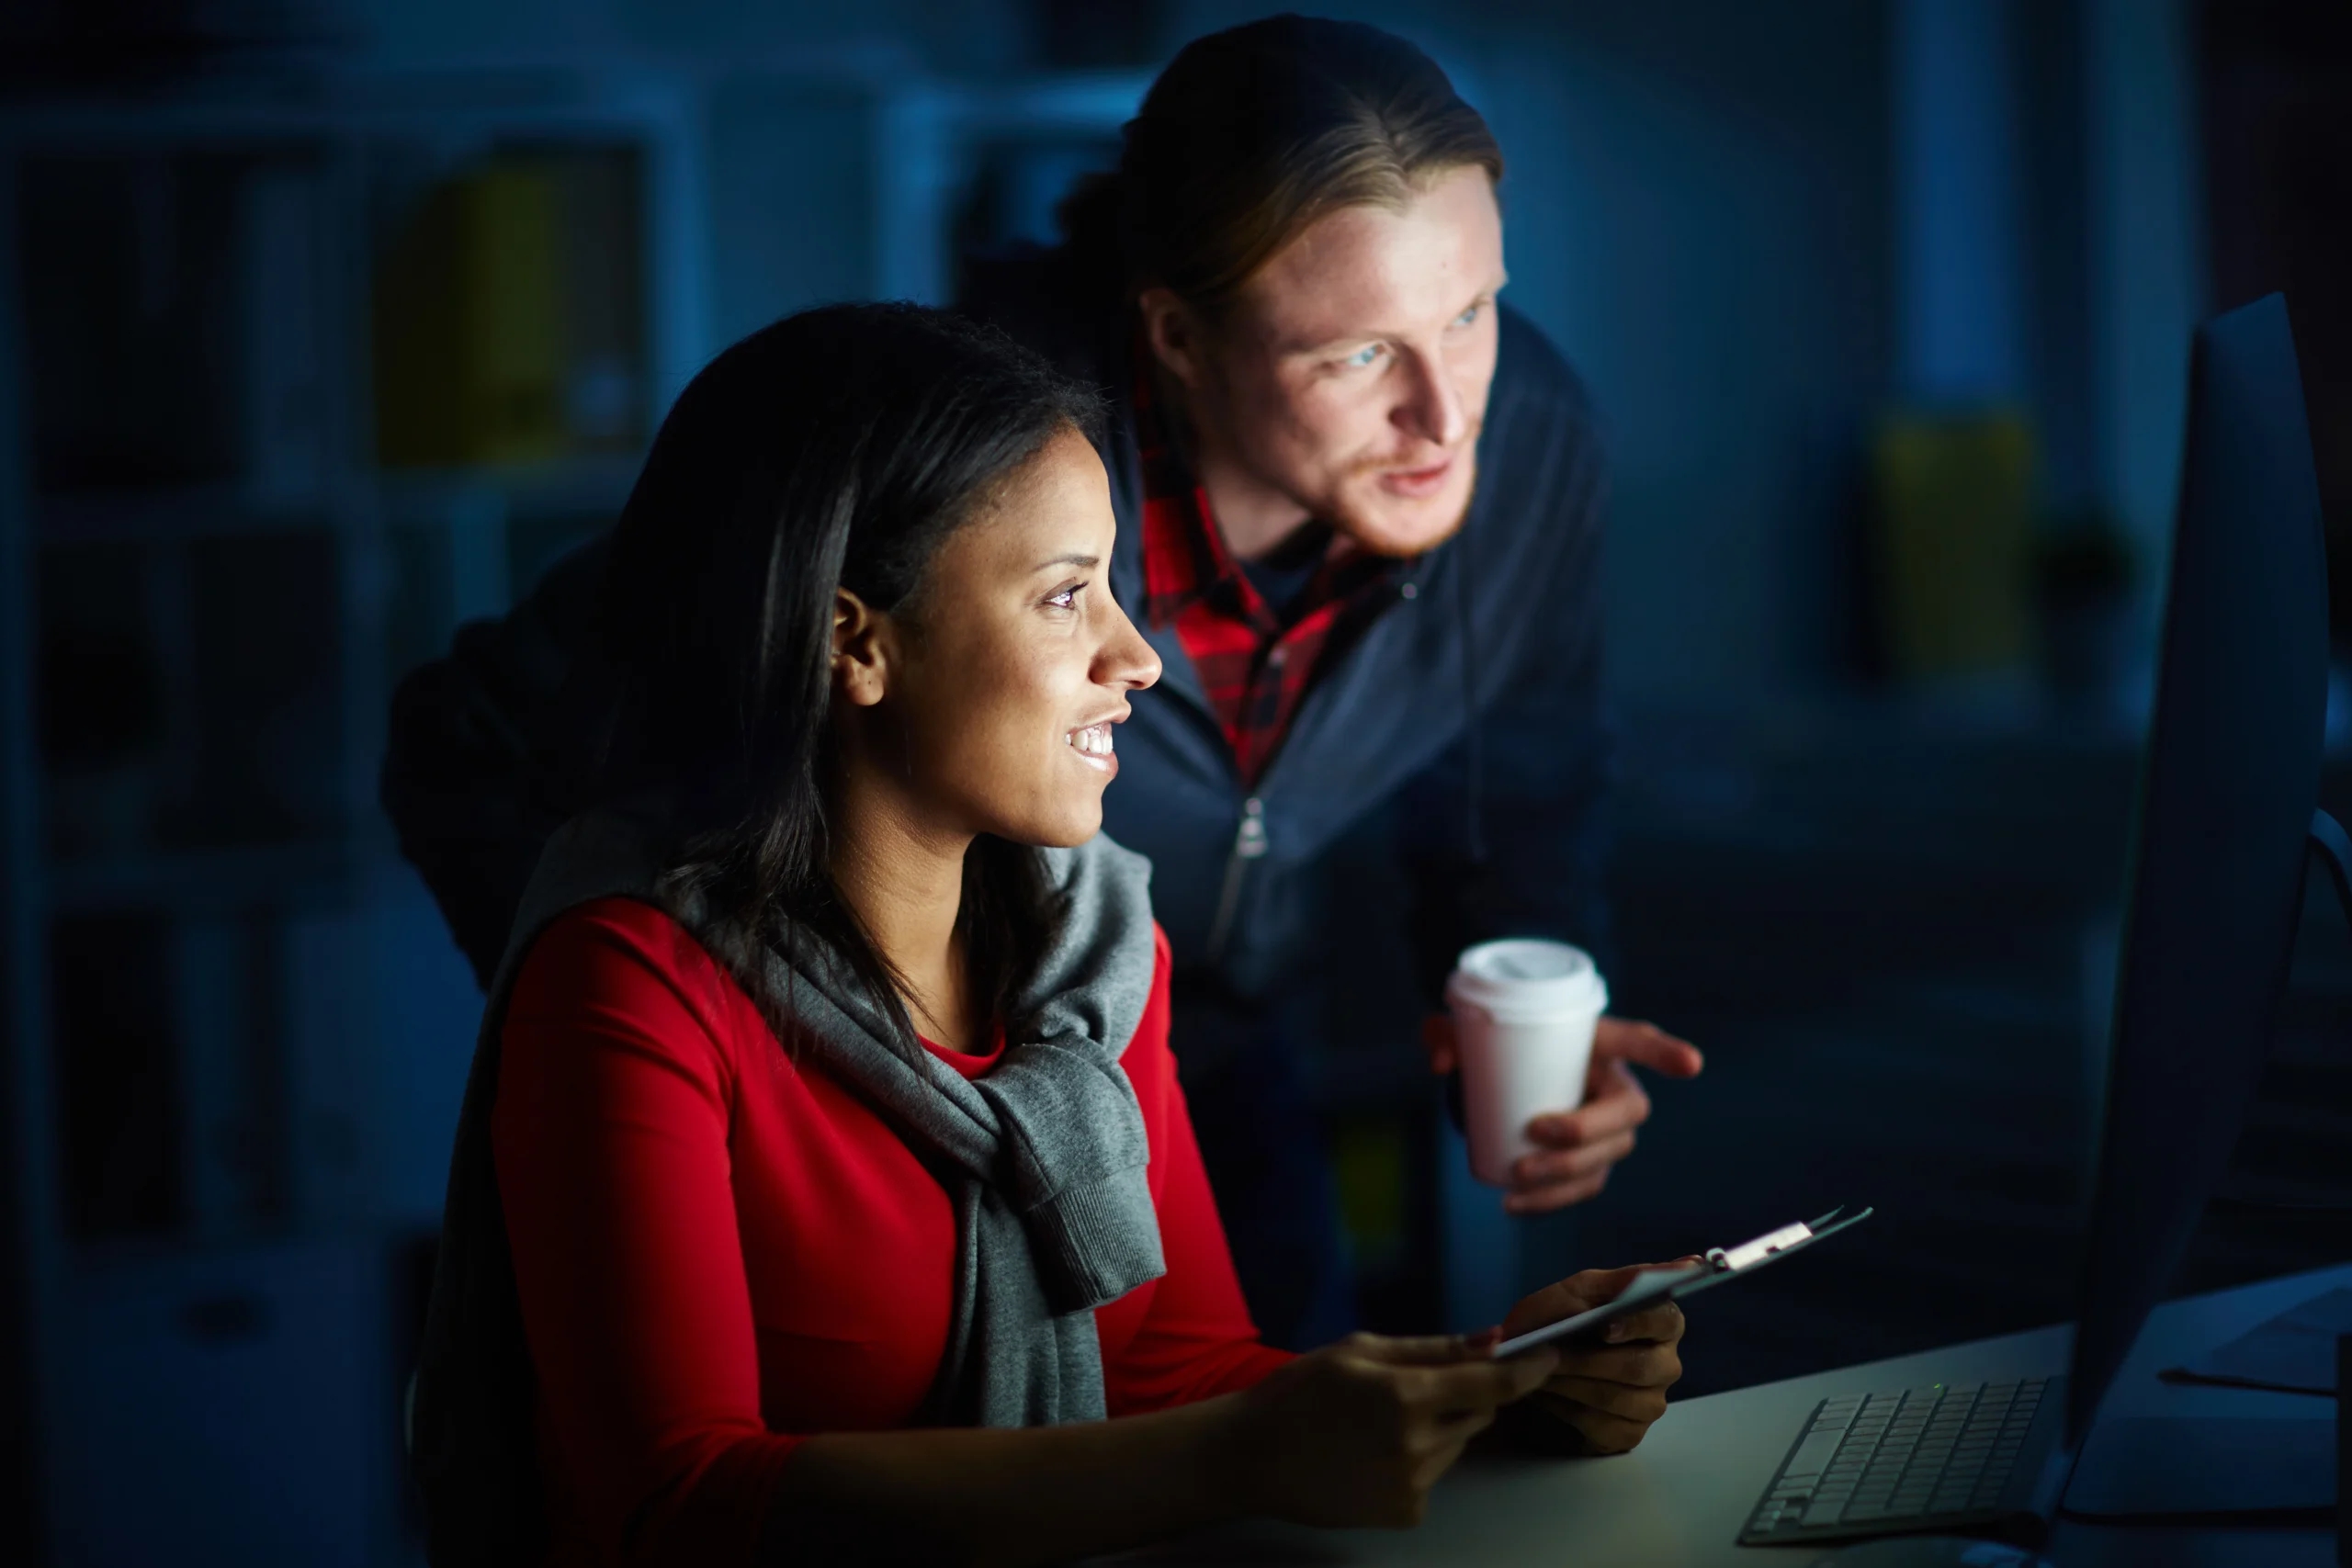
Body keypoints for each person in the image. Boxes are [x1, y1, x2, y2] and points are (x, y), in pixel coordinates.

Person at [382, 16, 1703, 1352]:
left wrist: (1530, 988)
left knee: (1283, 1425)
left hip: (1202, 1041)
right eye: (1355, 354)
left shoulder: (1528, 444)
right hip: (897, 1080)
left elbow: (1523, 782)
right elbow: (470, 738)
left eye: (1472, 312)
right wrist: (661, 1073)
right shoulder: (961, 445)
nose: (1449, 413)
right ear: (1176, 334)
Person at [408, 302, 1689, 1568]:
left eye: (1115, 587)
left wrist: (1493, 1381)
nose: (1137, 658)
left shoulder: (1099, 947)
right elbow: (678, 1507)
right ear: (854, 642)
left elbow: (1178, 1371)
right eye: (1067, 596)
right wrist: (1241, 1456)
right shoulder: (629, 985)